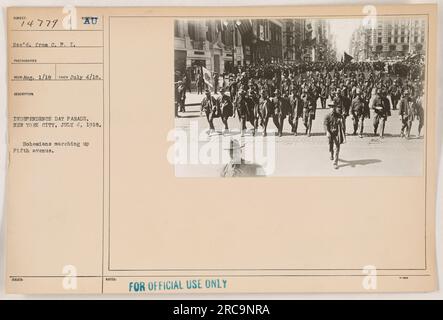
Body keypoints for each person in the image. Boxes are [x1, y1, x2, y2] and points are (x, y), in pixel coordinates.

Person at [323, 101, 346, 169]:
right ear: (329, 108)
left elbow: (343, 125)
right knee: (330, 146)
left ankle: (335, 162)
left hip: (336, 134)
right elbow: (325, 125)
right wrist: (327, 132)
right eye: (331, 107)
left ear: (335, 107)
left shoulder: (339, 115)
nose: (332, 108)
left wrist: (341, 121)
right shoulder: (327, 116)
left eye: (334, 107)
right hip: (330, 133)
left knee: (337, 147)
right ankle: (331, 153)